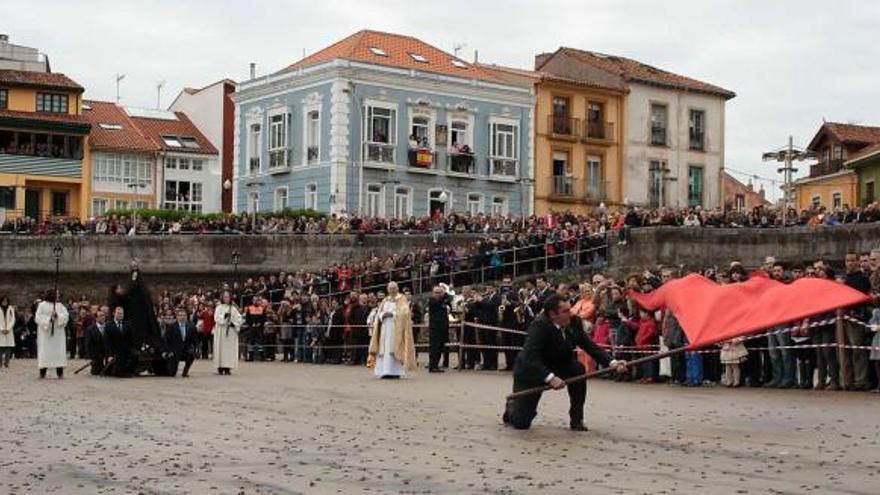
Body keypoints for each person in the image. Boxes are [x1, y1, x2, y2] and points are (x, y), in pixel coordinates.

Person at [503, 294, 627, 431]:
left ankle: (577, 419)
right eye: (566, 311)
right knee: (521, 423)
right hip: (532, 371)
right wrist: (550, 377)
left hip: (560, 364)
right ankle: (512, 407)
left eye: (570, 309)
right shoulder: (539, 326)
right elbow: (530, 358)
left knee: (577, 369)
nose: (571, 313)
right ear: (552, 314)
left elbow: (589, 345)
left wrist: (613, 363)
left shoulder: (574, 322)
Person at [368, 282, 417, 379]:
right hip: (385, 327)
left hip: (396, 328)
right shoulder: (385, 300)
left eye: (394, 288)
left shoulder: (402, 299)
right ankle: (383, 371)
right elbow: (379, 313)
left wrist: (393, 314)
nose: (392, 290)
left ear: (397, 288)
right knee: (384, 349)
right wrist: (382, 315)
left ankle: (395, 371)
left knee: (393, 348)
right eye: (390, 288)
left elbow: (405, 312)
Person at [35, 291, 70, 379]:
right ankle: (42, 372)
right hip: (46, 333)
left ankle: (60, 372)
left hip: (58, 334)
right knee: (45, 352)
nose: (58, 295)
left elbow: (66, 316)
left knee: (58, 353)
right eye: (57, 294)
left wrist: (58, 316)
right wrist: (49, 319)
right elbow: (38, 317)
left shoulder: (60, 306)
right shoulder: (42, 305)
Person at [214, 291, 244, 375]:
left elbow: (239, 319)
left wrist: (233, 323)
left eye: (228, 297)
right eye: (225, 297)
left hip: (230, 332)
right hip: (221, 331)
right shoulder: (219, 307)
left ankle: (227, 367)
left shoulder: (233, 308)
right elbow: (216, 318)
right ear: (222, 298)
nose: (226, 298)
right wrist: (224, 317)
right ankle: (220, 367)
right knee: (221, 348)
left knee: (228, 350)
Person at [165, 308, 198, 377]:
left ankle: (185, 371)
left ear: (186, 317)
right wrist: (169, 351)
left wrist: (195, 348)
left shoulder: (191, 327)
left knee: (191, 354)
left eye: (184, 315)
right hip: (175, 350)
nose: (182, 317)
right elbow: (167, 340)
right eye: (180, 315)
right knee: (172, 374)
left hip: (186, 350)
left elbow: (195, 340)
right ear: (177, 317)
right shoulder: (172, 327)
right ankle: (173, 368)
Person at [427, 285, 451, 373]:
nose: (438, 294)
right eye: (436, 292)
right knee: (434, 347)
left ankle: (436, 365)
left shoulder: (443, 300)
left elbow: (449, 300)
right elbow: (439, 302)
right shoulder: (432, 300)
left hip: (443, 327)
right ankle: (432, 365)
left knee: (440, 347)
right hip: (435, 328)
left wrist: (445, 294)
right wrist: (444, 294)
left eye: (439, 292)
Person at [105, 306, 133, 377]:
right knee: (116, 373)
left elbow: (130, 339)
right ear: (114, 313)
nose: (120, 315)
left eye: (121, 314)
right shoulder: (108, 325)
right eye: (118, 313)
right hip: (114, 352)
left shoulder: (127, 325)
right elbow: (107, 342)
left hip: (125, 352)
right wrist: (109, 355)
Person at [84, 307, 108, 376]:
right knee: (96, 372)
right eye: (101, 316)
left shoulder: (108, 327)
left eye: (104, 316)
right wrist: (91, 356)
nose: (103, 317)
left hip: (107, 353)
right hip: (96, 354)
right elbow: (88, 344)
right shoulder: (90, 329)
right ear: (96, 318)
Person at [0, 295, 15, 369]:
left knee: (8, 347)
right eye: (3, 301)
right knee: (1, 347)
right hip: (1, 331)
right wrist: (2, 329)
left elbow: (13, 320)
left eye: (6, 301)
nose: (4, 302)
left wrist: (8, 328)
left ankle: (6, 363)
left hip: (9, 331)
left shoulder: (10, 309)